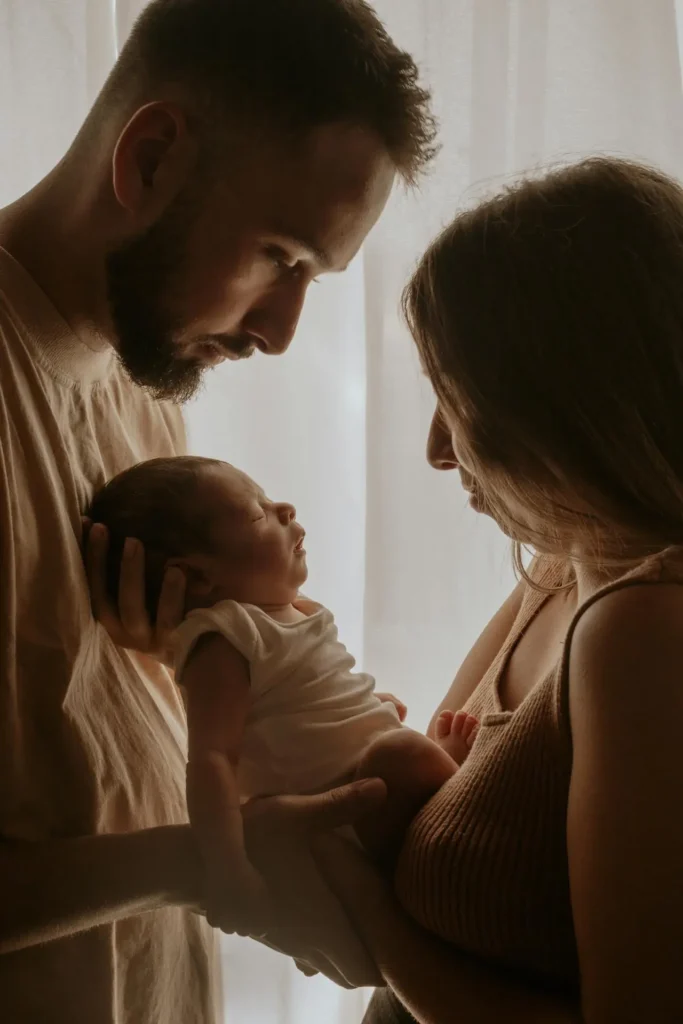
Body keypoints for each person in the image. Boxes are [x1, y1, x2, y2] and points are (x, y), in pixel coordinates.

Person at [0, 0, 436, 1020]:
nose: (281, 331)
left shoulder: (140, 390)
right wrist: (200, 864)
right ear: (150, 157)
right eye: (280, 256)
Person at [304, 157, 683, 1024]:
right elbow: (413, 817)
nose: (438, 449)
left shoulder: (643, 630)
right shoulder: (562, 561)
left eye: (459, 399)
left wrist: (363, 914)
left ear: (559, 401)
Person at [87, 456, 477, 870]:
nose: (286, 508)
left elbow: (290, 702)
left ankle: (435, 780)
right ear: (198, 576)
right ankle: (451, 780)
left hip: (364, 793)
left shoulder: (293, 611)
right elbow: (212, 759)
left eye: (269, 499)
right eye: (259, 514)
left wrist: (360, 707)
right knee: (401, 752)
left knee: (396, 744)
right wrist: (228, 865)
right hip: (343, 820)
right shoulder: (226, 639)